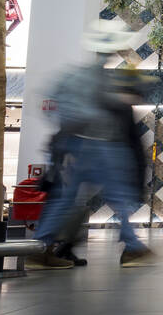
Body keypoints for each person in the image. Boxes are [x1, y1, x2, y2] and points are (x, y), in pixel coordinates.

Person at [33, 21, 155, 268]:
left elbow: (50, 102)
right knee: (120, 194)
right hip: (100, 145)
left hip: (72, 144)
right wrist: (129, 94)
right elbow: (107, 102)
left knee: (64, 197)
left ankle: (40, 247)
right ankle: (132, 247)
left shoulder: (73, 75)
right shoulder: (98, 76)